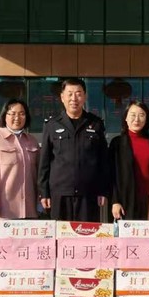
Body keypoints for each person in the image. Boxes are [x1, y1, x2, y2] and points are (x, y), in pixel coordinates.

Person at [38, 78, 109, 222]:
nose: (74, 99)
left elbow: (103, 161)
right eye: (69, 94)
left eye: (78, 94)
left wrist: (103, 190)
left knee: (87, 233)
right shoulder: (52, 125)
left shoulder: (95, 123)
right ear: (62, 97)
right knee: (60, 233)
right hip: (59, 193)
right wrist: (44, 192)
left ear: (85, 96)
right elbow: (44, 161)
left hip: (88, 192)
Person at [0, 99, 41, 226]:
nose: (17, 118)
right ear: (5, 116)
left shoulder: (32, 141)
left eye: (22, 114)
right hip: (4, 211)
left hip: (30, 210)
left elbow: (39, 174)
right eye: (12, 113)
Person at [109, 100, 149, 221]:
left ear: (147, 119)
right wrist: (115, 201)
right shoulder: (117, 143)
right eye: (133, 115)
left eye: (141, 115)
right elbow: (111, 175)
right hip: (126, 200)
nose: (137, 119)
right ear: (126, 118)